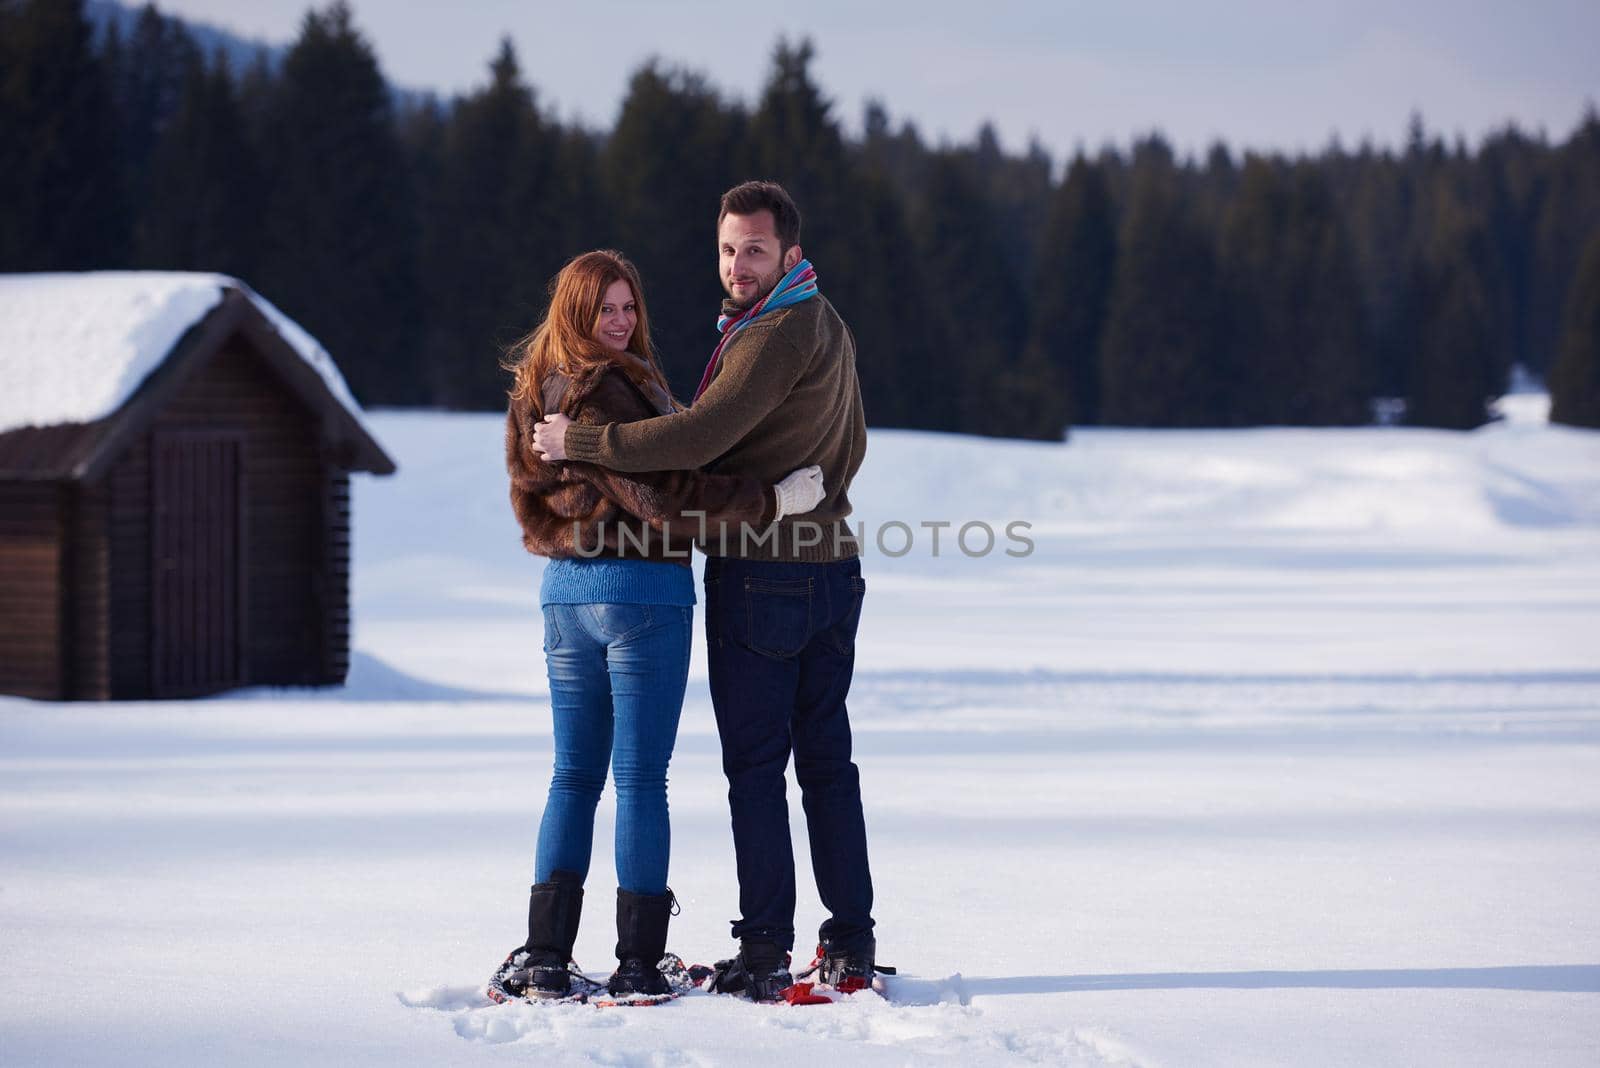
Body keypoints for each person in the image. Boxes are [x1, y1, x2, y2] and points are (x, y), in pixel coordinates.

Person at [532, 182, 880, 1001]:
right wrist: (817, 505)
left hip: (764, 572)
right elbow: (852, 443)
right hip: (833, 569)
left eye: (755, 249)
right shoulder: (827, 323)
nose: (737, 264)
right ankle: (852, 943)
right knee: (827, 763)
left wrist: (586, 441)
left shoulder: (777, 331)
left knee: (757, 769)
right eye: (727, 249)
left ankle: (764, 951)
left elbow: (697, 437)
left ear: (790, 254)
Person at [490, 249, 826, 1004]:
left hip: (564, 594)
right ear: (574, 312)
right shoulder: (608, 389)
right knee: (639, 777)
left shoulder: (535, 387)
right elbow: (664, 494)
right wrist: (772, 502)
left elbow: (532, 497)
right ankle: (639, 963)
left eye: (628, 307)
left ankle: (545, 955)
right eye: (603, 308)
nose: (619, 321)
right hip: (643, 592)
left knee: (572, 776)